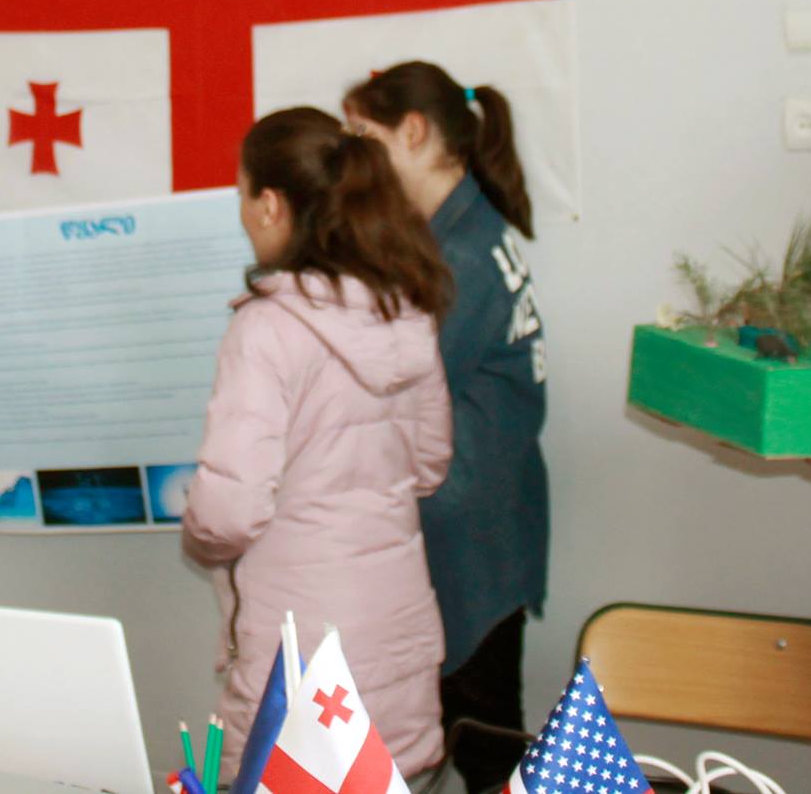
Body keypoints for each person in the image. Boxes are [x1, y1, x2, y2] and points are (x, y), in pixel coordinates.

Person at [181, 106, 454, 783]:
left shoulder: (265, 330)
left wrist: (199, 537)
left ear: (271, 205)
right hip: (397, 628)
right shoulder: (404, 307)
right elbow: (429, 465)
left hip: (300, 646)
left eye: (242, 193)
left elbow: (228, 513)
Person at [344, 61, 548, 792]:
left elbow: (389, 400)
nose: (352, 157)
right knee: (479, 736)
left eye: (362, 137)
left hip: (467, 540)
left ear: (413, 132)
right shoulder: (469, 229)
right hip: (490, 522)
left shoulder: (454, 258)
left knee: (482, 749)